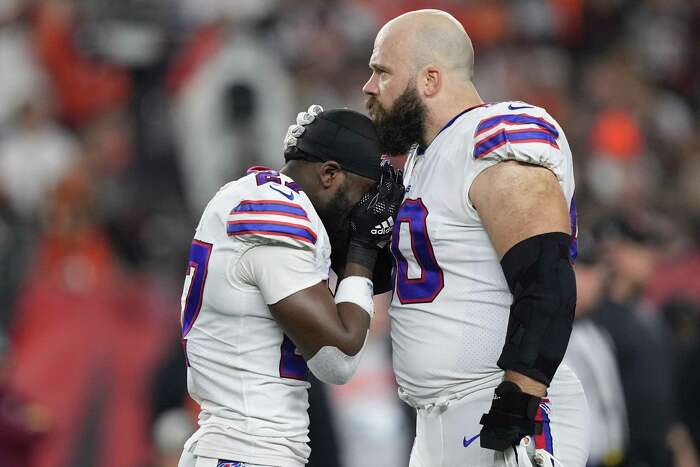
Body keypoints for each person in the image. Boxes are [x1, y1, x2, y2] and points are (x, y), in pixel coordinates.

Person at [362, 9, 588, 466]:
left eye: (381, 72)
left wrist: (520, 397)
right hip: (438, 423)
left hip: (501, 410)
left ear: (429, 79)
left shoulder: (493, 137)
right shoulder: (425, 158)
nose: (369, 86)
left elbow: (546, 280)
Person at [178, 105, 405, 467]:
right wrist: (361, 250)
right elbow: (338, 359)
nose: (364, 215)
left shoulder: (254, 196)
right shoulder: (276, 213)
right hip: (248, 451)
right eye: (365, 199)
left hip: (238, 447)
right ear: (330, 174)